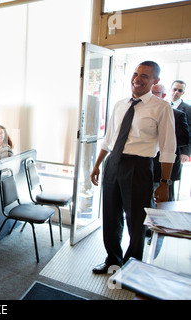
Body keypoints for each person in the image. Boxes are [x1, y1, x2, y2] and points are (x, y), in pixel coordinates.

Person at [90, 61, 176, 274]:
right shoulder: (120, 104)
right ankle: (112, 259)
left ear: (155, 80)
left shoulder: (161, 107)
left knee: (137, 221)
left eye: (145, 76)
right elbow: (108, 139)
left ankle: (132, 266)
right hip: (113, 163)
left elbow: (168, 148)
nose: (137, 78)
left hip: (139, 166)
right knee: (110, 216)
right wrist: (97, 165)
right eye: (136, 74)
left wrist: (165, 183)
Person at [151, 84, 190, 201]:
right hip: (146, 164)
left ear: (163, 95)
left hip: (166, 163)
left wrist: (166, 138)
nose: (152, 95)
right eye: (151, 92)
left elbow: (185, 138)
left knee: (164, 200)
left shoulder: (178, 114)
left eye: (155, 93)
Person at [169, 80, 191, 164]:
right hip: (160, 147)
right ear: (170, 89)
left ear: (183, 93)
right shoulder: (163, 105)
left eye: (180, 90)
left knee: (173, 175)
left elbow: (189, 131)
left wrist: (186, 152)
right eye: (175, 89)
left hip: (178, 149)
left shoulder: (189, 109)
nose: (176, 92)